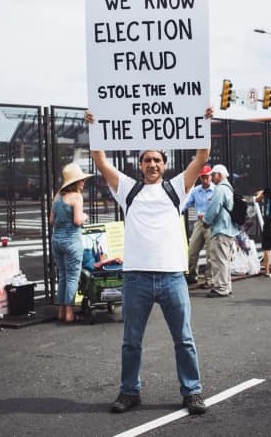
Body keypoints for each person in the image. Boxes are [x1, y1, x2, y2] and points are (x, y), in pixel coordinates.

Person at [85, 107, 211, 416]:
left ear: (165, 165)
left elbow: (201, 157)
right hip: (136, 278)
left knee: (184, 339)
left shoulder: (176, 188)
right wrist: (94, 128)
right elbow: (100, 160)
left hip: (171, 278)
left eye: (157, 159)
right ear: (140, 165)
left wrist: (205, 121)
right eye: (147, 160)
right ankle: (130, 391)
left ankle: (192, 391)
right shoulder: (129, 189)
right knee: (131, 341)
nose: (152, 164)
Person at [49, 162, 92, 323]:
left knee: (62, 277)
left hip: (57, 241)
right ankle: (69, 314)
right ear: (75, 182)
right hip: (72, 242)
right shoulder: (77, 197)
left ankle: (61, 312)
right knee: (73, 277)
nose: (83, 182)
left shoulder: (58, 196)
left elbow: (51, 220)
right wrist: (85, 216)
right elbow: (77, 220)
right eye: (81, 180)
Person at [202, 164, 239, 296]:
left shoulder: (220, 189)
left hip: (220, 228)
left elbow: (214, 207)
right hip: (229, 229)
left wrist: (206, 221)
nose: (211, 178)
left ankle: (220, 288)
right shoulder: (229, 189)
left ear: (219, 175)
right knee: (225, 260)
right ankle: (226, 286)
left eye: (213, 175)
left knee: (219, 260)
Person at [182, 165, 215, 285]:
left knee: (210, 253)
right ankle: (192, 276)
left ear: (211, 176)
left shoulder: (216, 191)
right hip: (199, 223)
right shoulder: (196, 191)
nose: (205, 180)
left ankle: (209, 279)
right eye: (202, 178)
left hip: (211, 223)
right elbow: (186, 204)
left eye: (207, 177)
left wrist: (206, 214)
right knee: (192, 251)